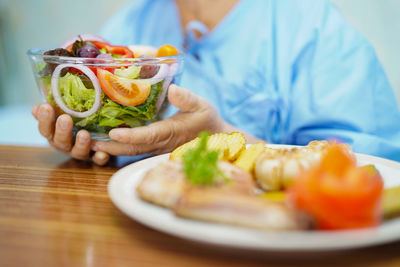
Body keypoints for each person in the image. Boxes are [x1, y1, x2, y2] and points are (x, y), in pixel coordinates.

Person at [32, 0, 400, 165]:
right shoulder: (129, 25)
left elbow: (370, 169)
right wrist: (87, 145)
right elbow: (103, 144)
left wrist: (223, 139)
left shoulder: (312, 27)